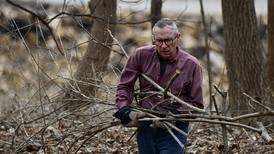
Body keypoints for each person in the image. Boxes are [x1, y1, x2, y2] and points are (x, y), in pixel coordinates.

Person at [113, 18, 204, 154]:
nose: (163, 46)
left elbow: (196, 105)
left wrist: (175, 115)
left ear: (177, 37)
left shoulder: (192, 65)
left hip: (175, 128)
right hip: (146, 123)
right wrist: (125, 111)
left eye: (168, 40)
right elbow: (125, 86)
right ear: (153, 39)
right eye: (159, 41)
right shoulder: (140, 55)